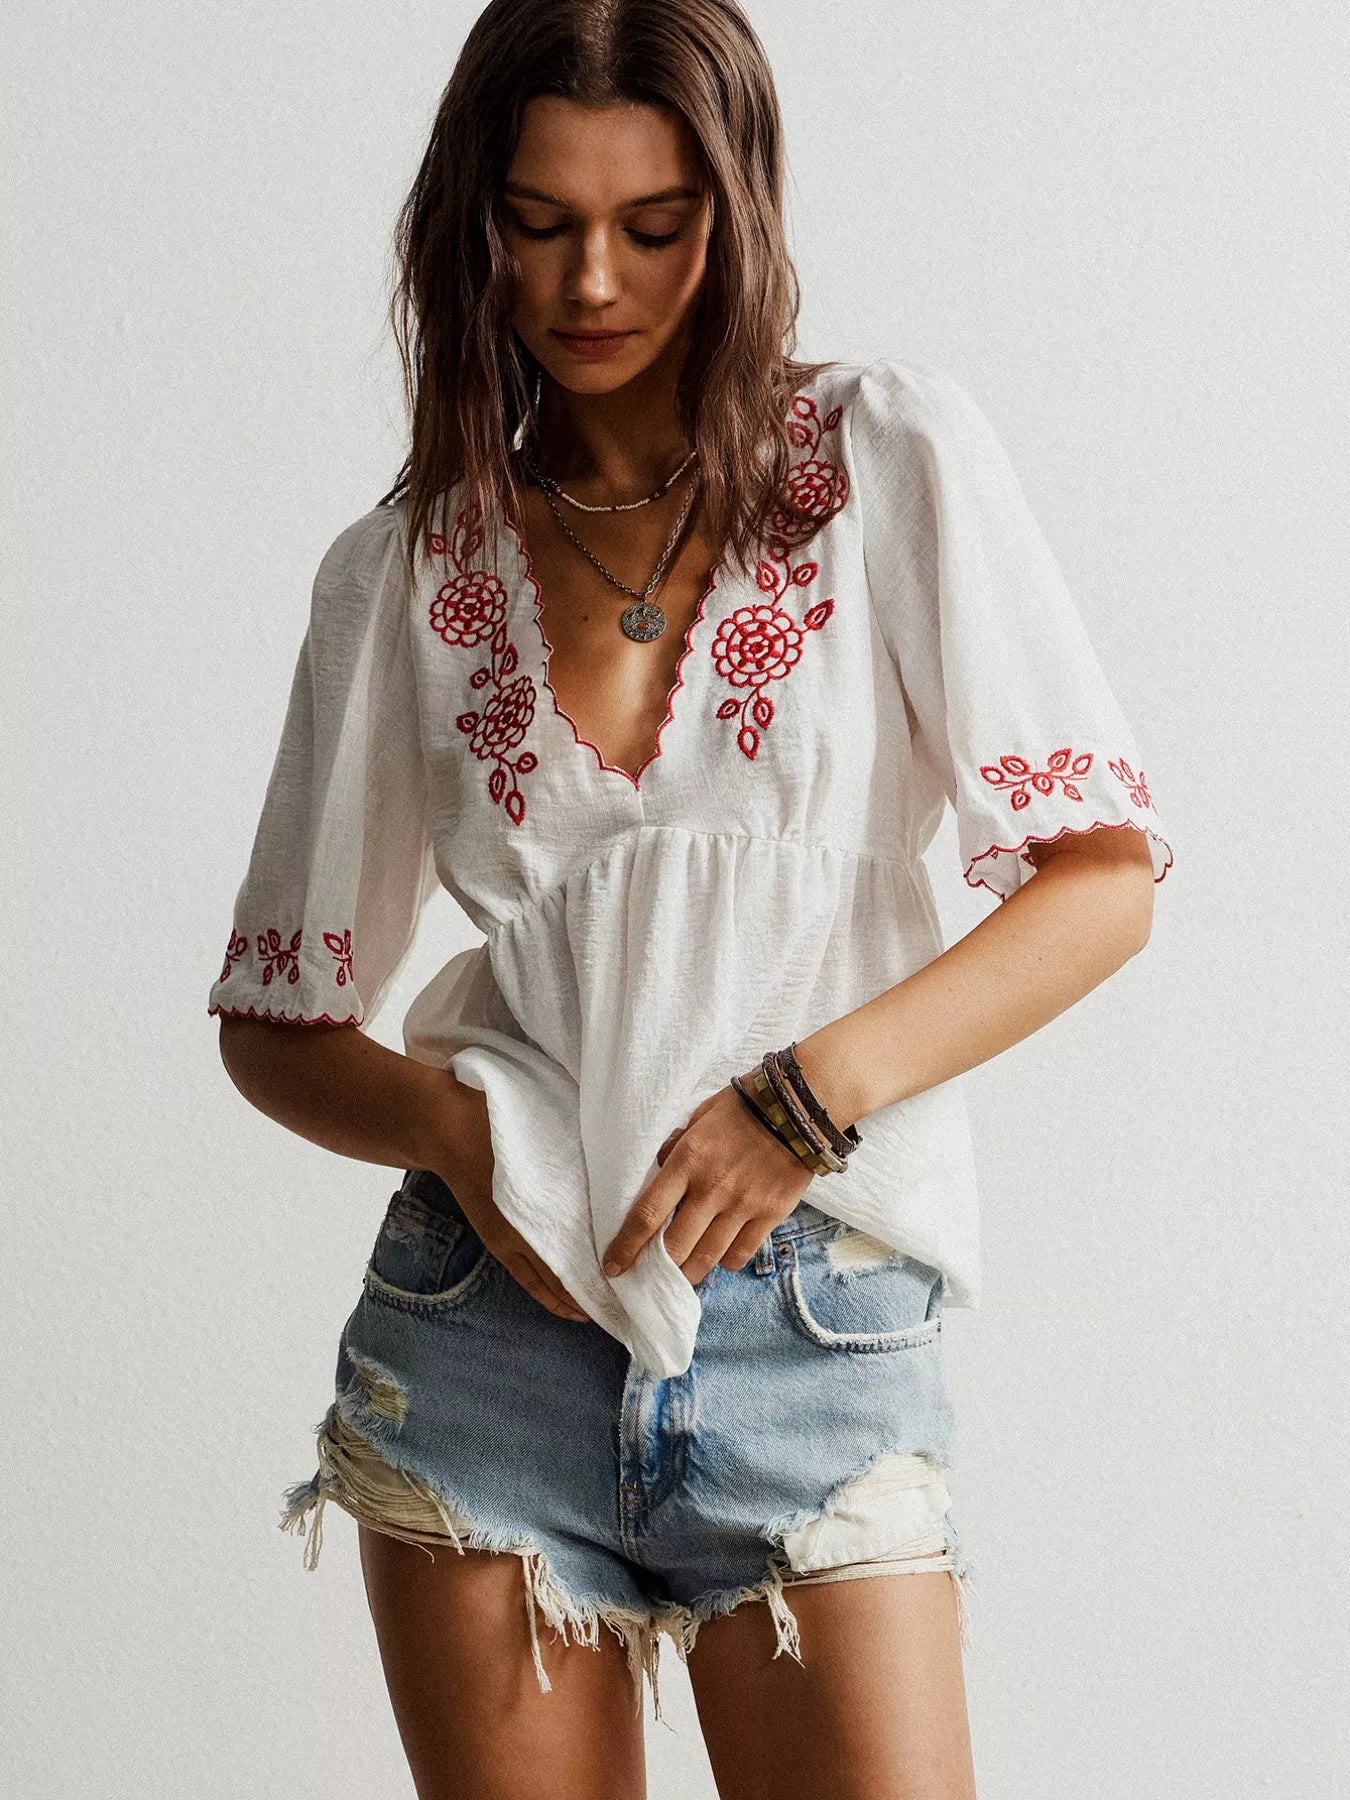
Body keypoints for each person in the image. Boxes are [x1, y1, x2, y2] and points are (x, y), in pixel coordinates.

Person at [207, 3, 1175, 1795]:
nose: (590, 281)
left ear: (736, 214)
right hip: (486, 1332)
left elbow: (1098, 885)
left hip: (811, 1323)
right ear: (467, 227)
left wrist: (802, 1101)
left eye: (652, 225)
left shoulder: (880, 459)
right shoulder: (409, 563)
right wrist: (475, 1141)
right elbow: (276, 1029)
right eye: (537, 220)